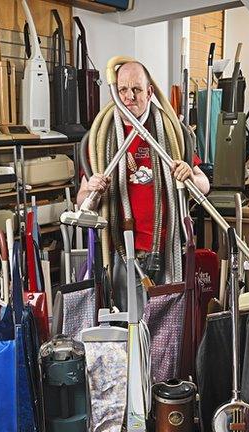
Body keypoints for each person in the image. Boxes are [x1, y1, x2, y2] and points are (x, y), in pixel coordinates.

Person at [76, 61, 209, 305]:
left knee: (167, 327)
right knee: (130, 328)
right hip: (122, 252)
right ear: (115, 93)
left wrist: (190, 175)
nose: (129, 96)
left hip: (169, 249)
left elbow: (204, 184)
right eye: (123, 89)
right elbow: (82, 201)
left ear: (149, 92)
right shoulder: (101, 139)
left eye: (136, 89)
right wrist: (92, 189)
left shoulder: (170, 133)